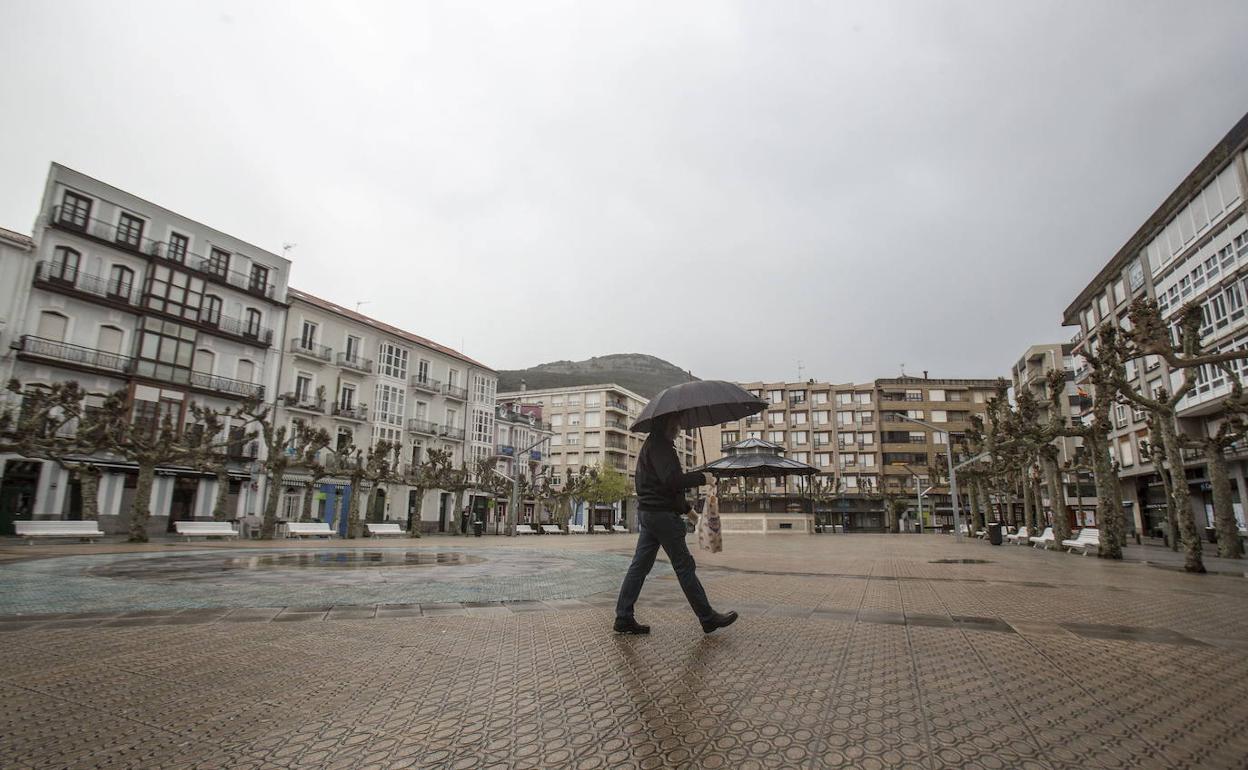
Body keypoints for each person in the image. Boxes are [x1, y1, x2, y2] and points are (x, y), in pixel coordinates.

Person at [614, 414, 737, 635]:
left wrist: (688, 512)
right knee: (684, 566)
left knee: (639, 567)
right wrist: (703, 478)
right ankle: (708, 618)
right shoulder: (661, 447)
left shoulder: (652, 446)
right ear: (665, 424)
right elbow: (673, 481)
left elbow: (665, 487)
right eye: (675, 424)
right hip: (661, 517)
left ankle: (623, 617)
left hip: (649, 514)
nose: (678, 428)